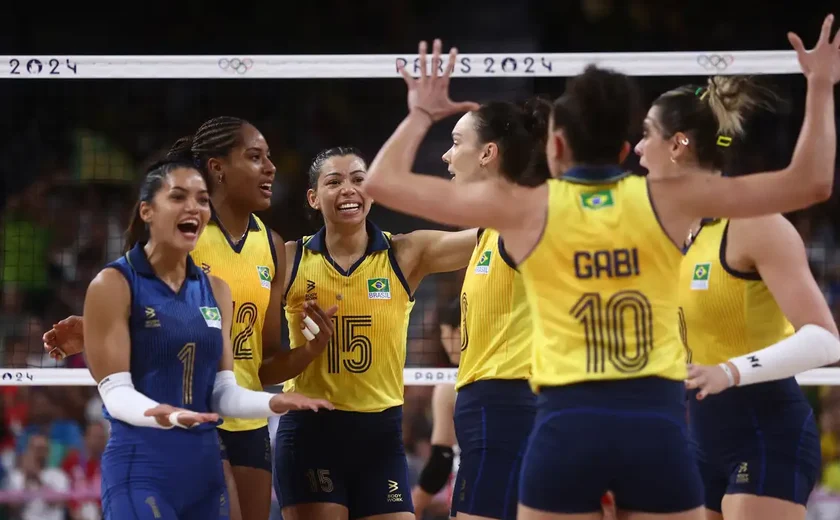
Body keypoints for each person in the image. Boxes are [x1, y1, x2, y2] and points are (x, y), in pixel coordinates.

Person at [362, 21, 839, 520]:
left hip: (566, 425)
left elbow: (384, 183)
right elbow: (810, 183)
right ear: (621, 150)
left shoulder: (524, 210)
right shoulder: (670, 201)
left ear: (558, 148)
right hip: (654, 423)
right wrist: (821, 86)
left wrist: (421, 113)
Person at [43, 116, 333, 520]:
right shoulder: (180, 235)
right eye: (254, 157)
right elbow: (141, 310)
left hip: (244, 419)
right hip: (186, 422)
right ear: (218, 169)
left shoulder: (269, 245)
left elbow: (263, 361)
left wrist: (309, 353)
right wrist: (96, 328)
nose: (270, 168)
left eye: (269, 157)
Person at [634, 79, 840, 519]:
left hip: (766, 432)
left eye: (646, 133)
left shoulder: (752, 223)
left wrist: (730, 371)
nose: (636, 148)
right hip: (699, 438)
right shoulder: (669, 232)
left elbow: (825, 340)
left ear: (678, 145)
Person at [270, 146, 478, 520]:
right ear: (314, 198)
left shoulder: (405, 253)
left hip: (380, 435)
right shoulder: (290, 259)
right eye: (334, 182)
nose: (348, 189)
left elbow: (487, 237)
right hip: (311, 434)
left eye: (358, 179)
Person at [412, 299, 461, 519]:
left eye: (444, 333)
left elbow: (443, 457)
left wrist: (415, 502)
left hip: (472, 491)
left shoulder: (449, 387)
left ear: (458, 332)